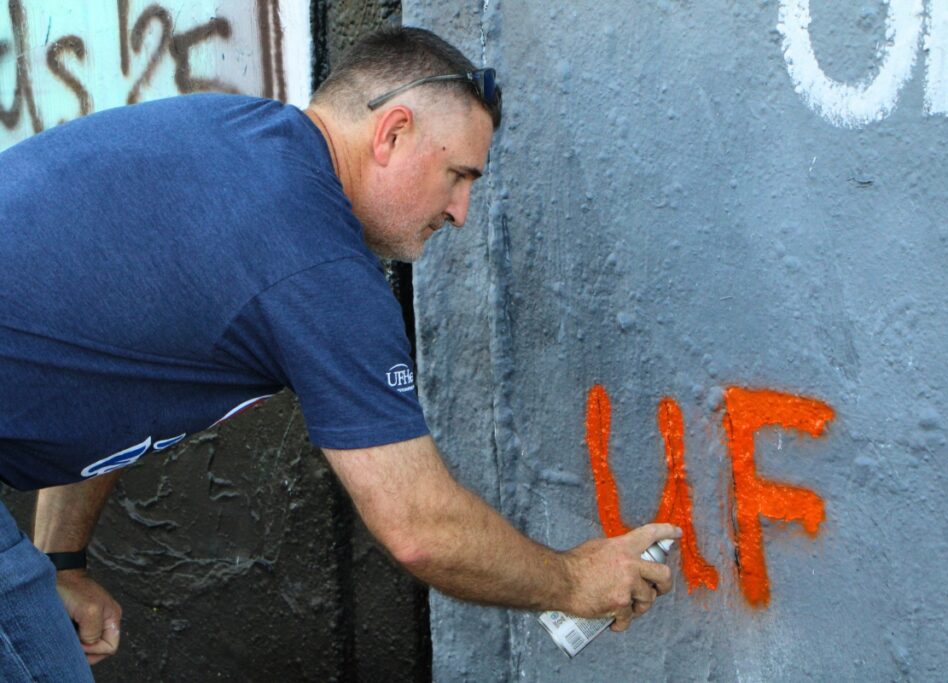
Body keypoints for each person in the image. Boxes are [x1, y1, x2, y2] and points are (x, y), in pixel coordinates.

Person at [0, 27, 679, 679]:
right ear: (392, 132)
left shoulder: (235, 138)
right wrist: (574, 578)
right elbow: (419, 526)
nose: (462, 210)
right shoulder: (316, 259)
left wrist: (61, 559)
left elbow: (115, 371)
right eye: (457, 175)